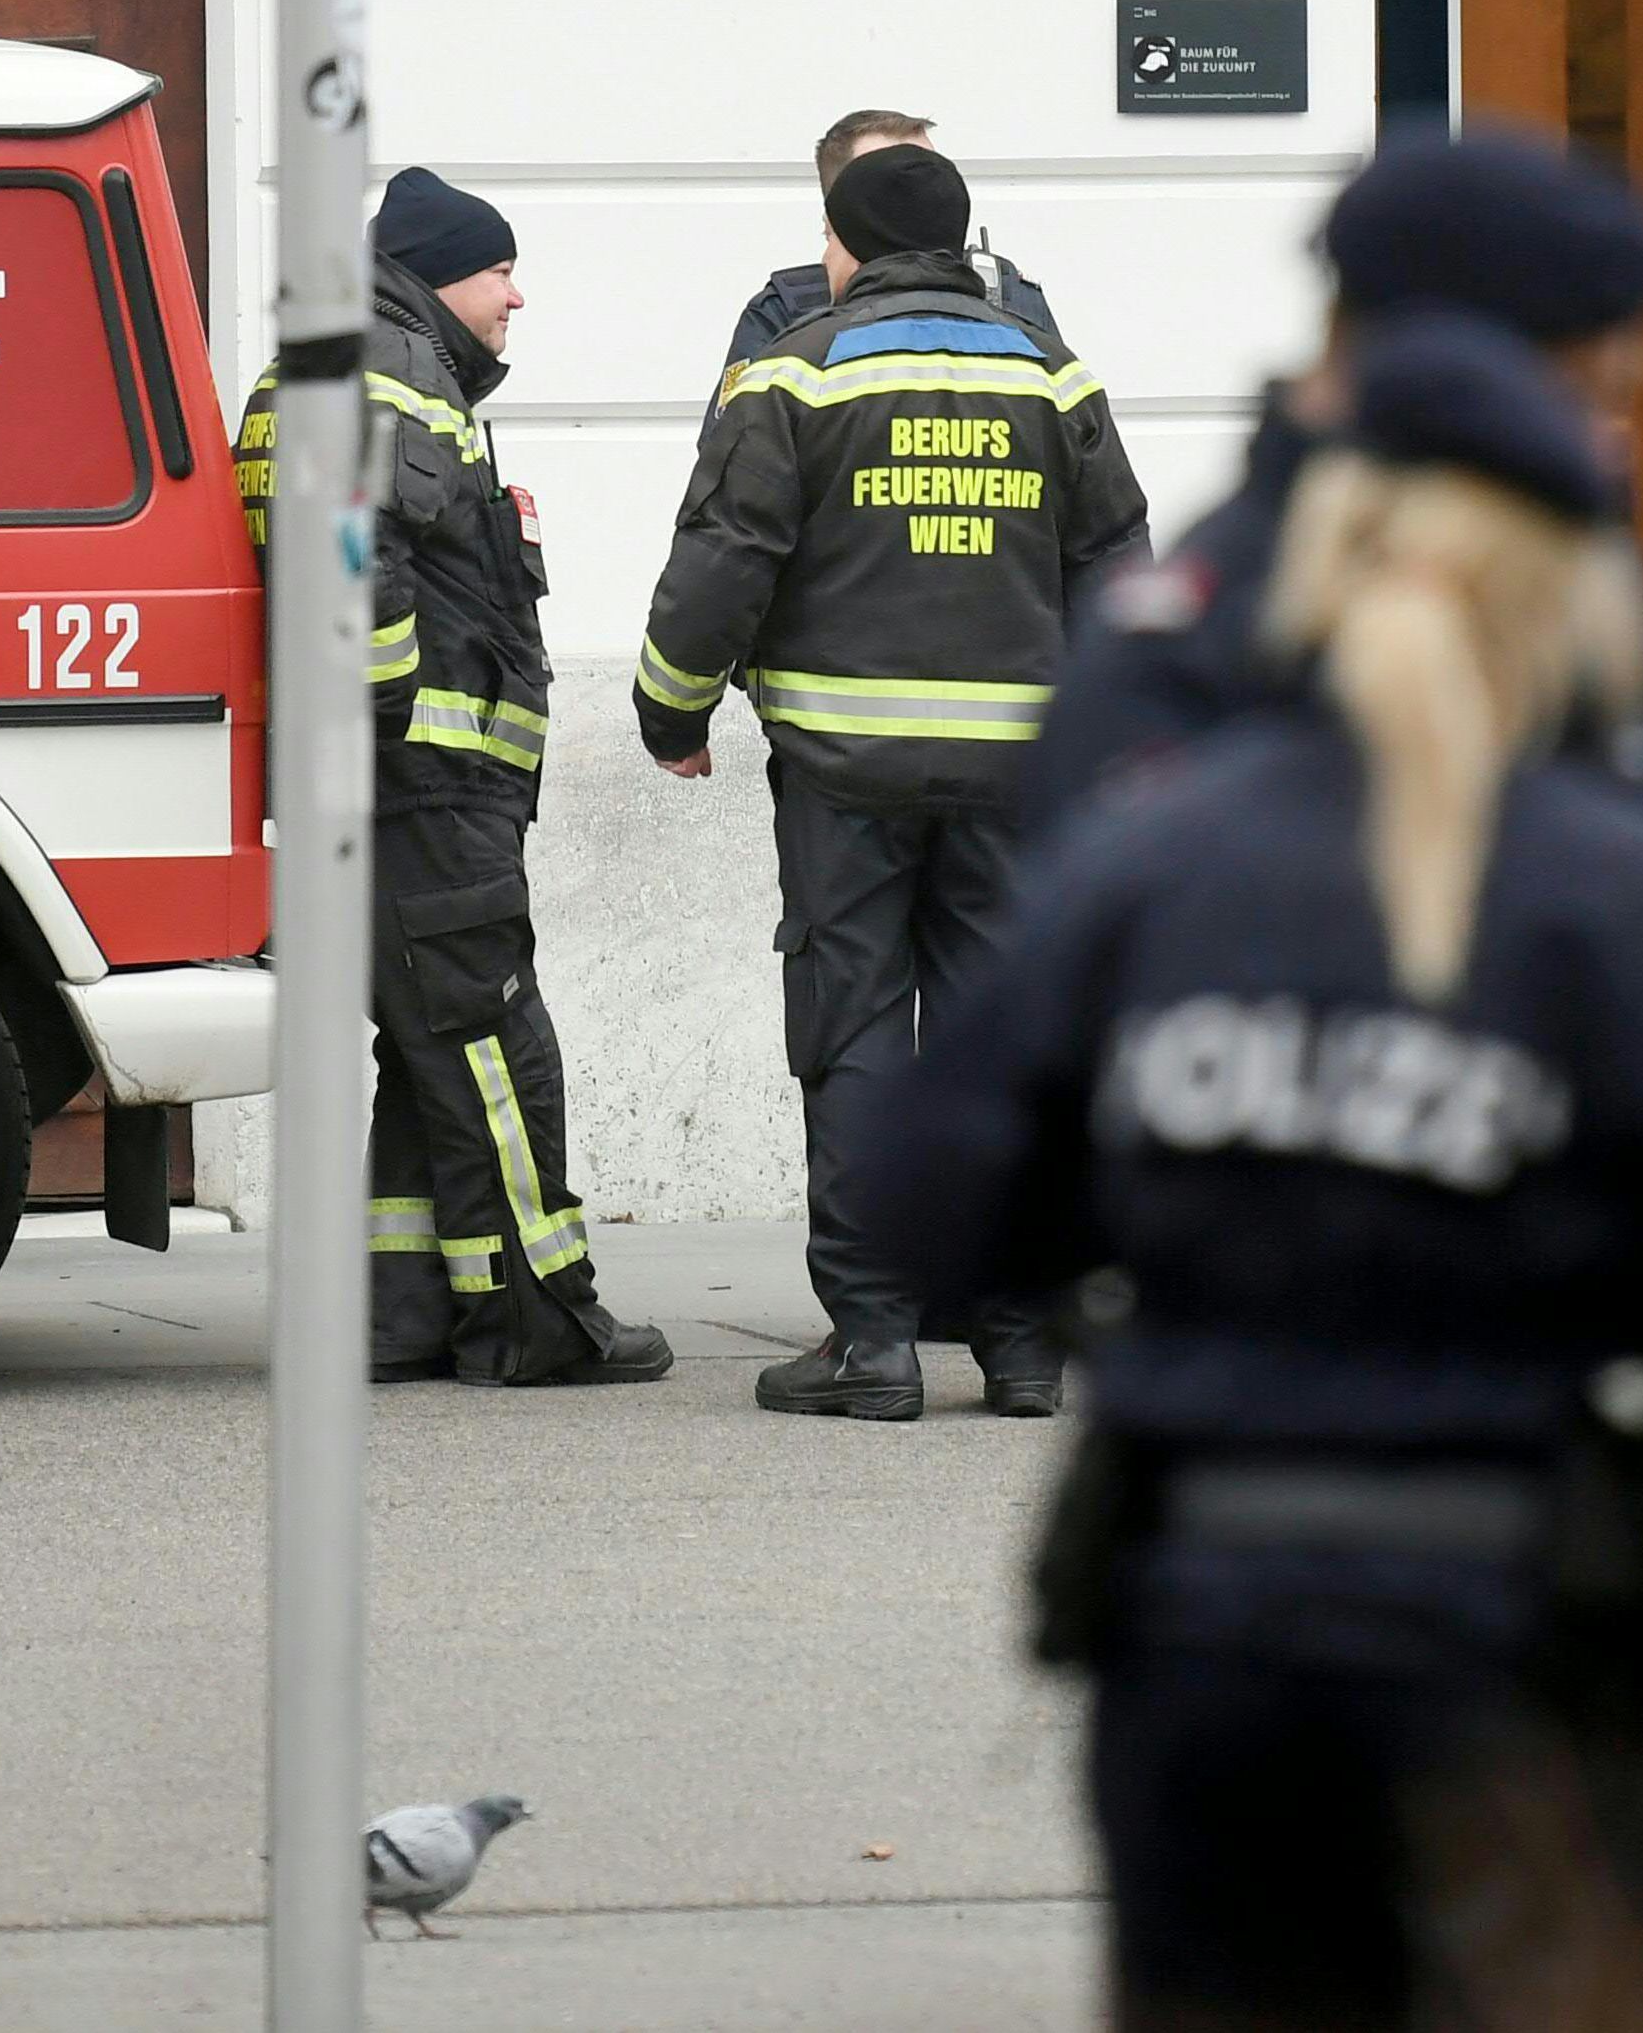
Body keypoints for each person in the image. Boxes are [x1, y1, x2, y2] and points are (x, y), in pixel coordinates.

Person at [867, 312, 1643, 2031]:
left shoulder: (1155, 852)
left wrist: (1170, 1213)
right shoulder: (1632, 887)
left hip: (1199, 1645)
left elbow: (922, 1198)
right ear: (1571, 583)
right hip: (1525, 1646)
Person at [634, 138, 1150, 1421]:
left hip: (841, 771)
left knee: (855, 1033)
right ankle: (1023, 1344)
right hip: (1017, 775)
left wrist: (667, 707)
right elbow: (1114, 558)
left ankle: (871, 1342)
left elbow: (725, 553)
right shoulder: (1048, 369)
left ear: (842, 243)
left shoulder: (793, 373)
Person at [236, 166, 669, 1390]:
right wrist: (387, 735)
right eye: (498, 271)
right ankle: (542, 1315)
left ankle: (411, 1309)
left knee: (430, 1052)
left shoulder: (356, 366)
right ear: (435, 271)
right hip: (419, 786)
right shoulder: (387, 372)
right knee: (492, 1047)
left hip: (399, 786)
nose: (516, 297)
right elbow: (353, 570)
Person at [1019, 120, 1643, 850]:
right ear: (1458, 382)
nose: (1616, 449)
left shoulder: (1598, 613)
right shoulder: (1193, 662)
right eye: (1588, 403)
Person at [721, 107, 1056, 381]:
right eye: (887, 182)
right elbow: (735, 447)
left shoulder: (1008, 296)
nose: (919, 186)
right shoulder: (789, 311)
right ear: (838, 210)